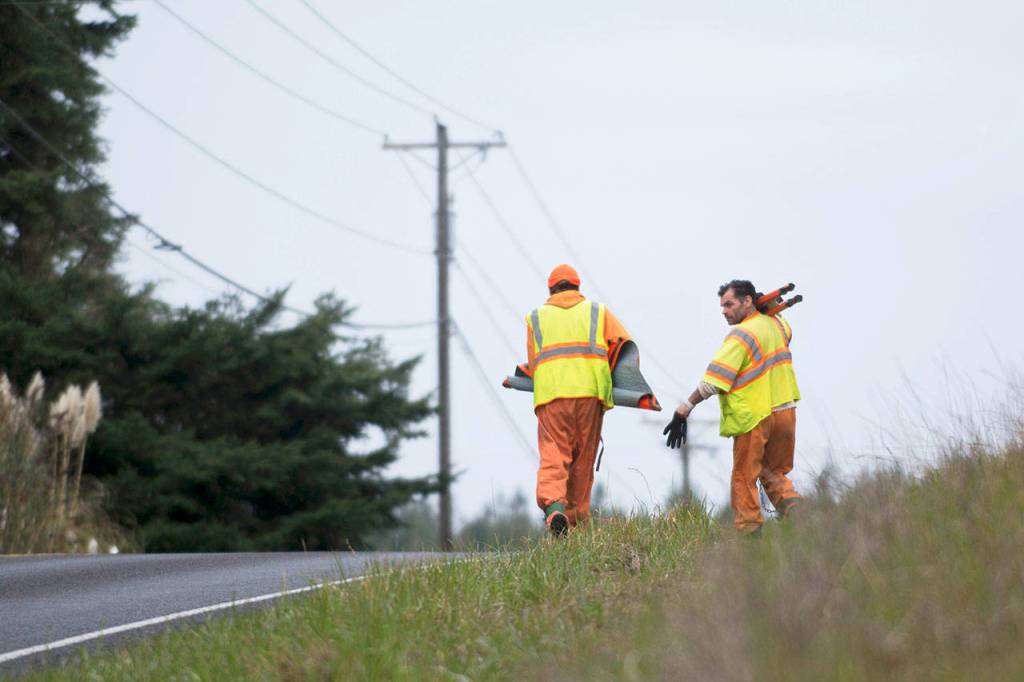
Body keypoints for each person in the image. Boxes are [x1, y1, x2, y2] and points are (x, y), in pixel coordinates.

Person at [666, 279, 802, 534]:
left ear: (747, 301)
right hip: (785, 411)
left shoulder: (742, 334)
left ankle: (749, 534)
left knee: (743, 477)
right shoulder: (776, 325)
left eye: (729, 305)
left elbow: (714, 380)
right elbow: (788, 331)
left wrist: (685, 407)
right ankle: (796, 512)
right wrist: (771, 308)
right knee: (774, 472)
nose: (724, 311)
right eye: (722, 307)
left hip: (755, 416)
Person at [525, 264, 631, 536]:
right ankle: (576, 524)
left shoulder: (535, 317)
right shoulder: (597, 312)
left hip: (552, 397)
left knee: (554, 456)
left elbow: (536, 363)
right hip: (590, 395)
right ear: (577, 287)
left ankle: (553, 511)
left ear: (550, 289)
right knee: (582, 461)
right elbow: (624, 346)